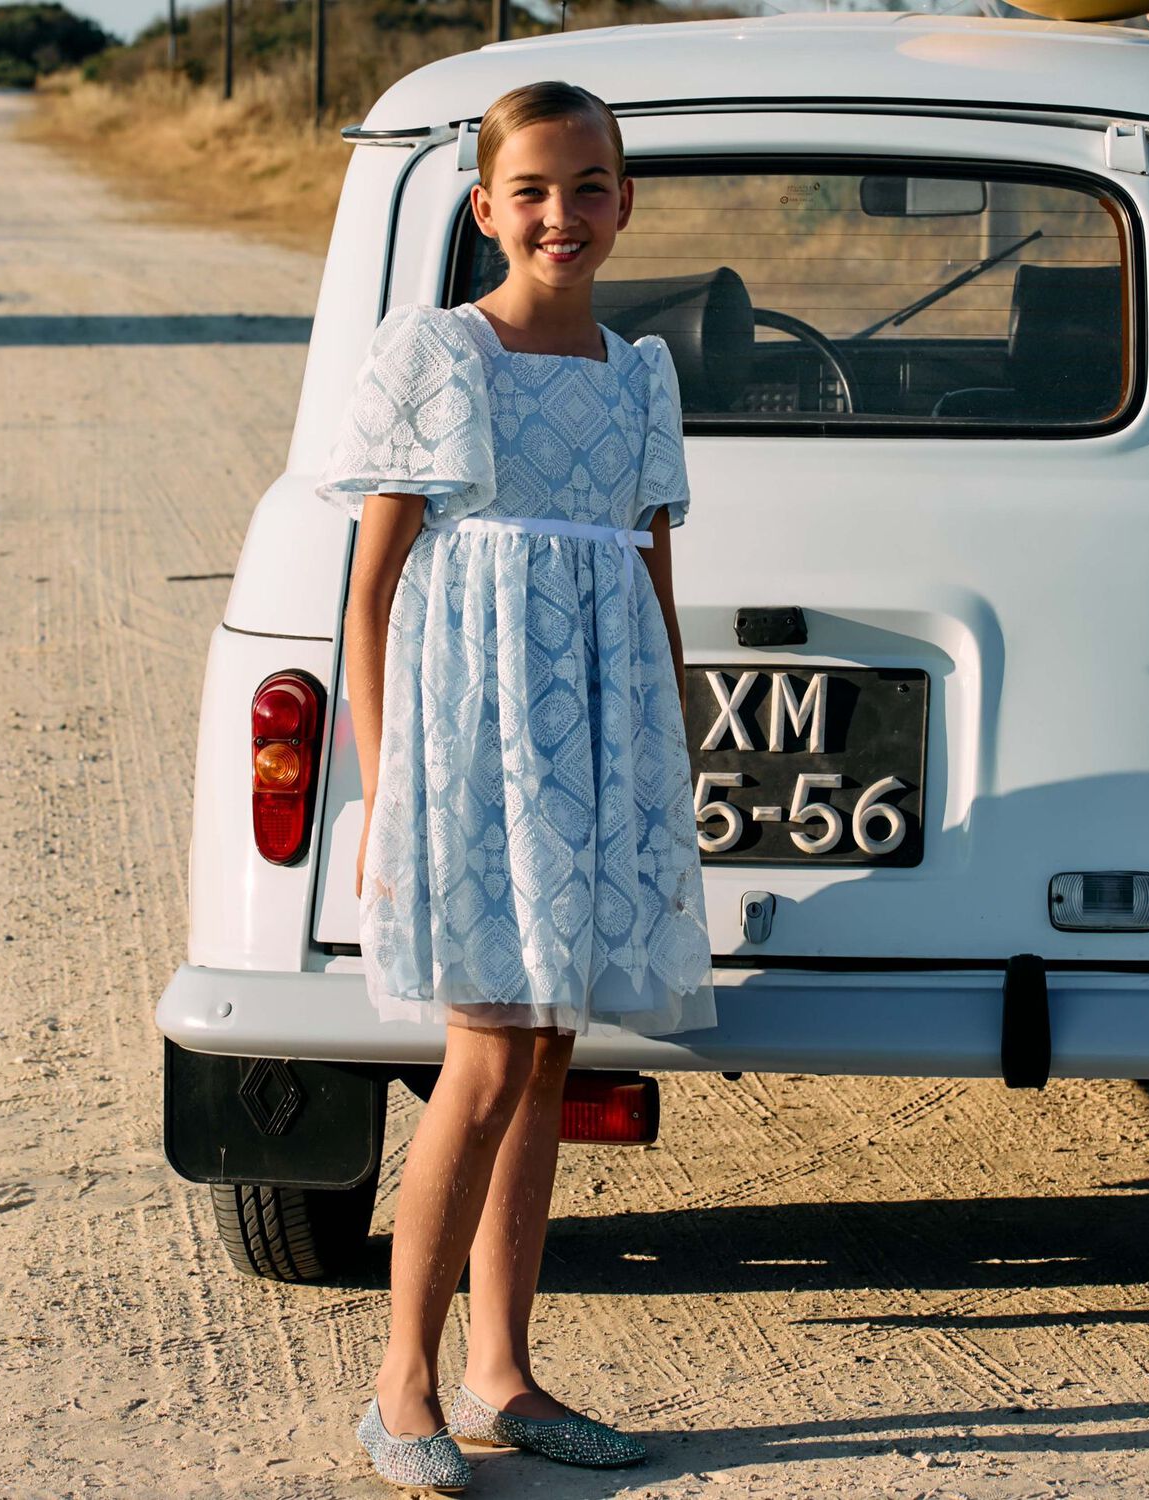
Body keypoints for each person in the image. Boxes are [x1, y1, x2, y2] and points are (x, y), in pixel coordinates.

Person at [316, 79, 715, 1494]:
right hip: (471, 755)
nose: (566, 213)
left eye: (593, 185)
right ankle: (401, 1387)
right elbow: (369, 589)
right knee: (482, 1062)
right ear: (487, 209)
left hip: (598, 757)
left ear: (625, 202)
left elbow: (654, 588)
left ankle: (504, 1372)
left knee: (548, 1056)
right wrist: (382, 785)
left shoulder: (642, 375)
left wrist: (667, 780)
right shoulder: (441, 353)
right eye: (534, 189)